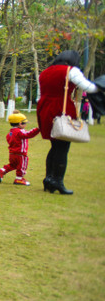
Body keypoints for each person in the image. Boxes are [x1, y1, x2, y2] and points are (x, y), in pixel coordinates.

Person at [36, 50, 99, 195]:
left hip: (45, 108)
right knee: (63, 146)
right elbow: (88, 87)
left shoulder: (44, 72)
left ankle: (49, 179)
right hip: (61, 109)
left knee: (54, 145)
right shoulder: (71, 70)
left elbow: (40, 94)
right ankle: (57, 181)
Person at [0, 112, 40, 186]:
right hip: (20, 154)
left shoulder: (10, 133)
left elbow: (8, 139)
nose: (26, 124)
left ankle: (2, 171)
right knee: (22, 167)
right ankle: (19, 179)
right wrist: (37, 129)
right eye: (25, 123)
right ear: (20, 123)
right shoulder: (20, 131)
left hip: (12, 153)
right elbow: (28, 134)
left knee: (13, 165)